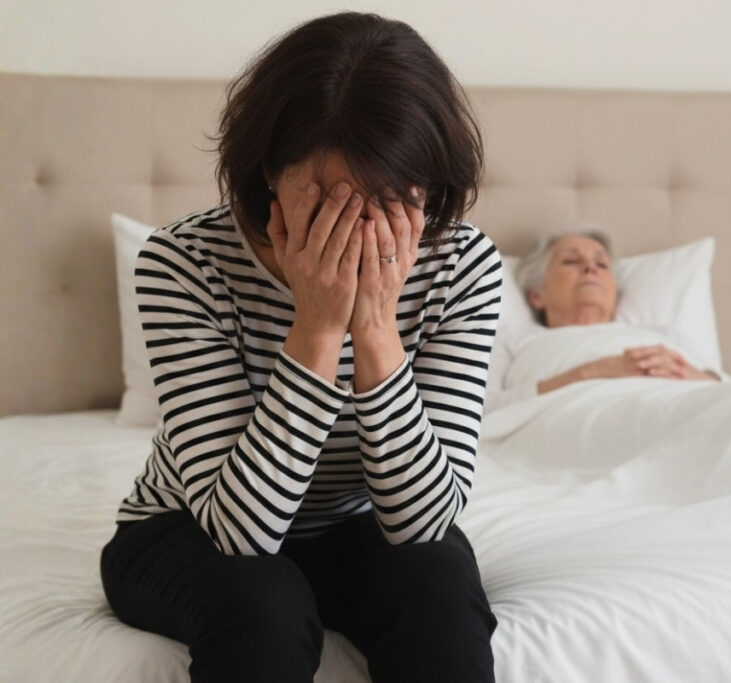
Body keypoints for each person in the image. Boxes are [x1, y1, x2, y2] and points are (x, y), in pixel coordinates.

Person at [99, 13, 500, 683]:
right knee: (265, 604)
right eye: (329, 203)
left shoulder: (459, 264)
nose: (357, 232)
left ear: (426, 189)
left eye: (389, 202)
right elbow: (241, 534)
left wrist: (374, 327)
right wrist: (315, 328)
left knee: (441, 585)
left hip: (357, 524)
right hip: (188, 529)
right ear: (267, 178)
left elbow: (424, 522)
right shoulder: (182, 262)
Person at [485, 230, 722, 411]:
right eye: (571, 261)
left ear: (615, 293)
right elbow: (482, 410)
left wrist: (686, 373)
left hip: (682, 409)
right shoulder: (512, 339)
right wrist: (589, 373)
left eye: (602, 264)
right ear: (536, 294)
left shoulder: (664, 336)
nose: (590, 268)